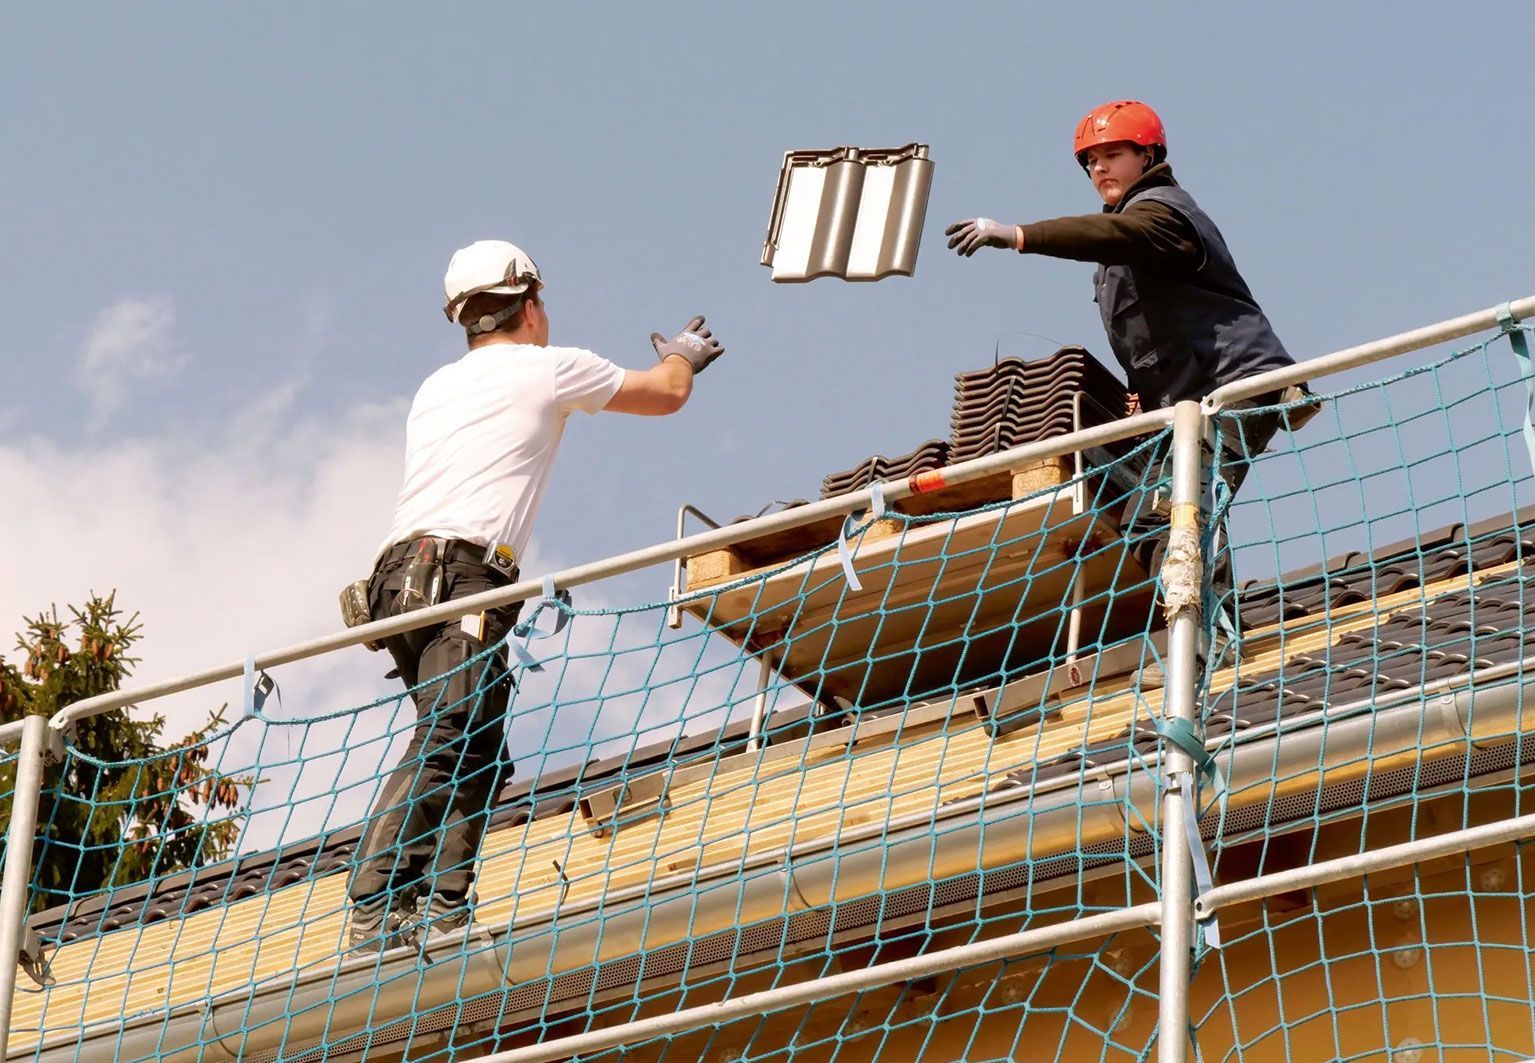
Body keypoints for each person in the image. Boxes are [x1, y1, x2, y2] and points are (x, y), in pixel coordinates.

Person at [345, 239, 724, 954]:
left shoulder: (435, 388)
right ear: (527, 305)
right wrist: (682, 356)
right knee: (454, 730)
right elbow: (666, 393)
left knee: (479, 744)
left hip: (398, 585)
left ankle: (442, 905)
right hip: (462, 580)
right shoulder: (546, 367)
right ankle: (376, 897)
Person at [945, 100, 1313, 677]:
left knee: (1179, 511)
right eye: (1089, 161)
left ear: (1149, 155)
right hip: (1190, 401)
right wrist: (1143, 390)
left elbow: (1115, 234)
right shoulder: (1121, 251)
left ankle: (1211, 644)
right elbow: (1156, 327)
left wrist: (1017, 235)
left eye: (1112, 154)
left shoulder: (1165, 214)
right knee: (1149, 518)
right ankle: (1214, 631)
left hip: (1237, 384)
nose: (1099, 168)